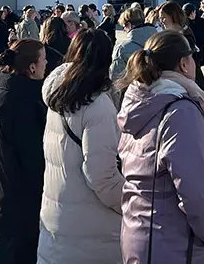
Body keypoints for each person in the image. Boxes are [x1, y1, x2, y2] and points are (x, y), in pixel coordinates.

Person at [117, 29, 204, 262]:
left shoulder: (138, 102)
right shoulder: (179, 111)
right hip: (176, 243)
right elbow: (196, 190)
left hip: (139, 234)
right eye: (193, 57)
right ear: (183, 64)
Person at [39, 29, 123, 263]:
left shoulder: (59, 94)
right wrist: (130, 202)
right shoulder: (98, 106)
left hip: (56, 212)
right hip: (91, 226)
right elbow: (101, 176)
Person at [0, 40, 48, 264]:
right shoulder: (24, 101)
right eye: (43, 58)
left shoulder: (5, 90)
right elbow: (32, 156)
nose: (47, 63)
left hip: (4, 193)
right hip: (23, 198)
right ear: (32, 67)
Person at [109, 5, 156, 81]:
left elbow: (115, 77)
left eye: (124, 26)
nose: (124, 30)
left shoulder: (122, 48)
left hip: (134, 86)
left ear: (129, 25)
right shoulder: (160, 41)